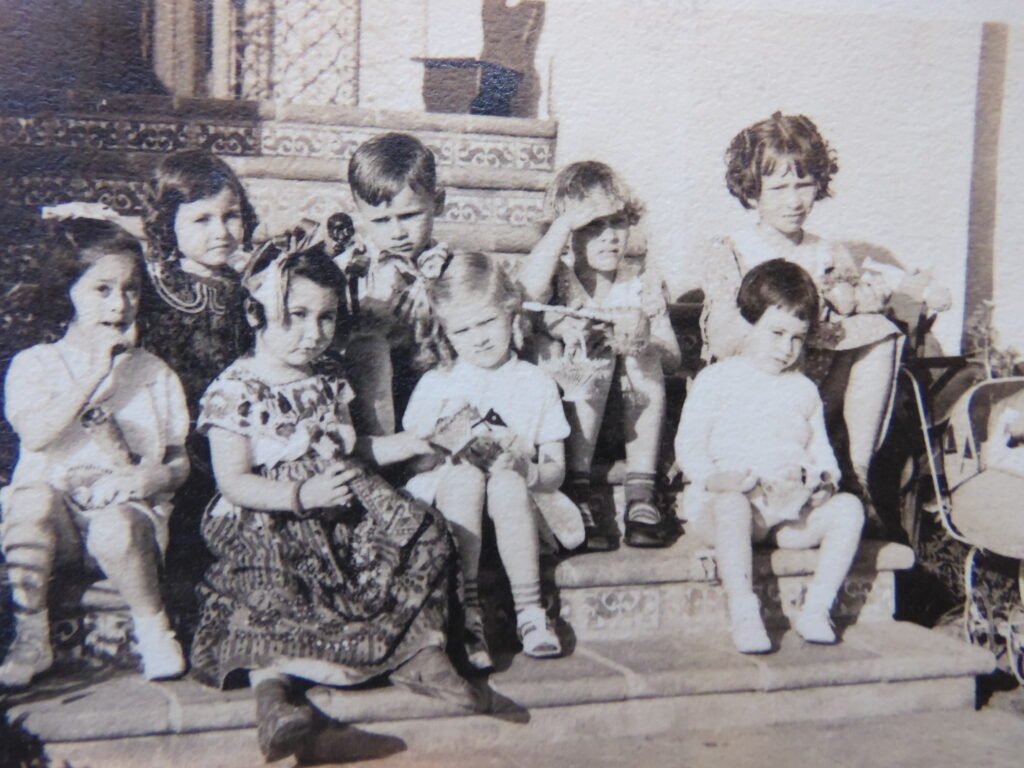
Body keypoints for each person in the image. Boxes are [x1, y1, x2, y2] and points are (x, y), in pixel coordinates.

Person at [188, 240, 479, 762]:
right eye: (295, 316)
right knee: (272, 580)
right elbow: (233, 480)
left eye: (325, 319)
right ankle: (274, 699)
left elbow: (355, 446)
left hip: (344, 501)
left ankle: (423, 651)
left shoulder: (328, 378)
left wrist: (413, 442)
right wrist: (298, 495)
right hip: (272, 516)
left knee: (423, 532)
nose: (312, 333)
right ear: (257, 313)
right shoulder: (233, 389)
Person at [0, 218, 190, 687]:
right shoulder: (35, 365)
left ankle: (153, 627)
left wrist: (157, 479)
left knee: (116, 524)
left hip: (126, 526)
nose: (119, 304)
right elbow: (37, 435)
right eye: (101, 289)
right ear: (68, 293)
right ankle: (30, 634)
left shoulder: (154, 372)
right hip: (59, 530)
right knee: (30, 499)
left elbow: (180, 459)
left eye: (130, 290)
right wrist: (94, 374)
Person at [700, 113, 902, 527]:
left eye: (804, 184)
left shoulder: (827, 251)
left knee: (881, 331)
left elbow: (853, 309)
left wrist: (866, 300)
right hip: (752, 390)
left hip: (813, 389)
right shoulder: (733, 249)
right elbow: (722, 338)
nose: (794, 201)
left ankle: (857, 475)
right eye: (779, 188)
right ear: (753, 193)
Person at [676, 260, 864, 654]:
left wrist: (824, 482)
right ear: (748, 324)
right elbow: (689, 447)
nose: (786, 348)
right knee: (731, 507)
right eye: (776, 333)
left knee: (848, 510)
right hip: (727, 507)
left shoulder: (803, 390)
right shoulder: (718, 379)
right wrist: (717, 480)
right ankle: (744, 609)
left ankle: (817, 608)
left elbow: (821, 452)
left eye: (797, 338)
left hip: (784, 514)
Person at [404, 252, 577, 669]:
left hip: (517, 501)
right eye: (462, 330)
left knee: (507, 481)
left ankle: (531, 612)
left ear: (511, 315)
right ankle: (467, 614)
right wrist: (445, 445)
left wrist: (528, 468)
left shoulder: (535, 382)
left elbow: (556, 467)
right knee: (465, 478)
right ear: (446, 335)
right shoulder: (437, 383)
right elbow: (414, 462)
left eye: (486, 323)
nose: (478, 338)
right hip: (455, 499)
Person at [519, 161, 681, 549]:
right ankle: (576, 488)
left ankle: (641, 488)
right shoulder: (558, 276)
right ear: (567, 234)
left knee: (642, 353)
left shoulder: (639, 281)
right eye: (592, 226)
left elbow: (673, 357)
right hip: (569, 418)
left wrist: (644, 339)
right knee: (595, 348)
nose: (609, 237)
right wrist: (561, 226)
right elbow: (525, 292)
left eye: (618, 223)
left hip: (629, 417)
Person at [337, 132, 454, 436]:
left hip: (432, 374)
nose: (398, 232)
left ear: (438, 202)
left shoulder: (447, 263)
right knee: (371, 349)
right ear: (360, 215)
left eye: (410, 215)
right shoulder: (356, 267)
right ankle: (382, 450)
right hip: (371, 386)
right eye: (381, 221)